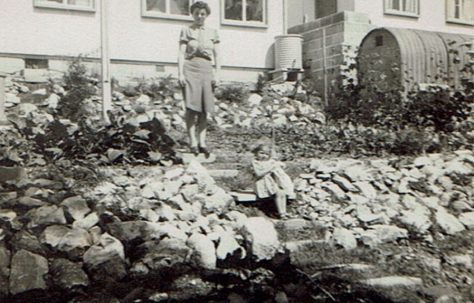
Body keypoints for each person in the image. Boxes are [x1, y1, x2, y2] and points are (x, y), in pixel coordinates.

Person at [178, 1, 220, 156]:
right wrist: (180, 73)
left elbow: (217, 55)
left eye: (202, 14)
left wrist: (218, 74)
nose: (199, 16)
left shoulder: (212, 32)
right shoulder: (186, 30)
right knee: (191, 108)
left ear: (206, 15)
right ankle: (192, 142)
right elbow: (181, 54)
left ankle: (202, 142)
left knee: (204, 109)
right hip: (190, 69)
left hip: (207, 70)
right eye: (196, 13)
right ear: (192, 14)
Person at [251, 141, 295, 218]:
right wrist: (271, 168)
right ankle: (281, 213)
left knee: (282, 192)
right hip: (261, 184)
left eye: (266, 154)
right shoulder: (255, 162)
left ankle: (283, 212)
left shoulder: (270, 162)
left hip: (271, 183)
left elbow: (279, 167)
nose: (264, 156)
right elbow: (258, 174)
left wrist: (279, 166)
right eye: (261, 153)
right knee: (278, 193)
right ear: (256, 153)